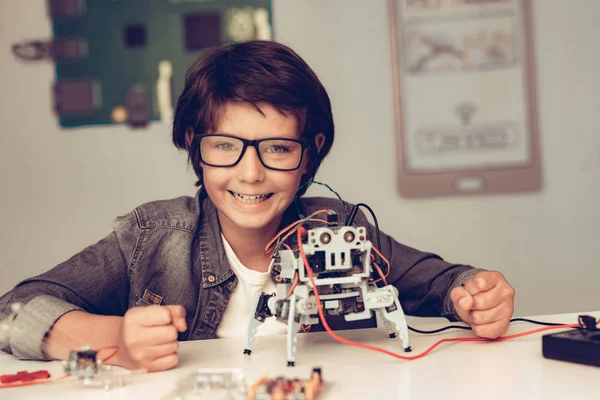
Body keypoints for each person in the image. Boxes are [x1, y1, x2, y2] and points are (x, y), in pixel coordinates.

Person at [0, 40, 515, 372]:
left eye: (278, 148)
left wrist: (476, 296)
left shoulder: (341, 228)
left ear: (309, 153)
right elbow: (13, 312)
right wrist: (116, 337)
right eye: (225, 145)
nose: (251, 173)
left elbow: (446, 283)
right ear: (191, 143)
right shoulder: (150, 237)